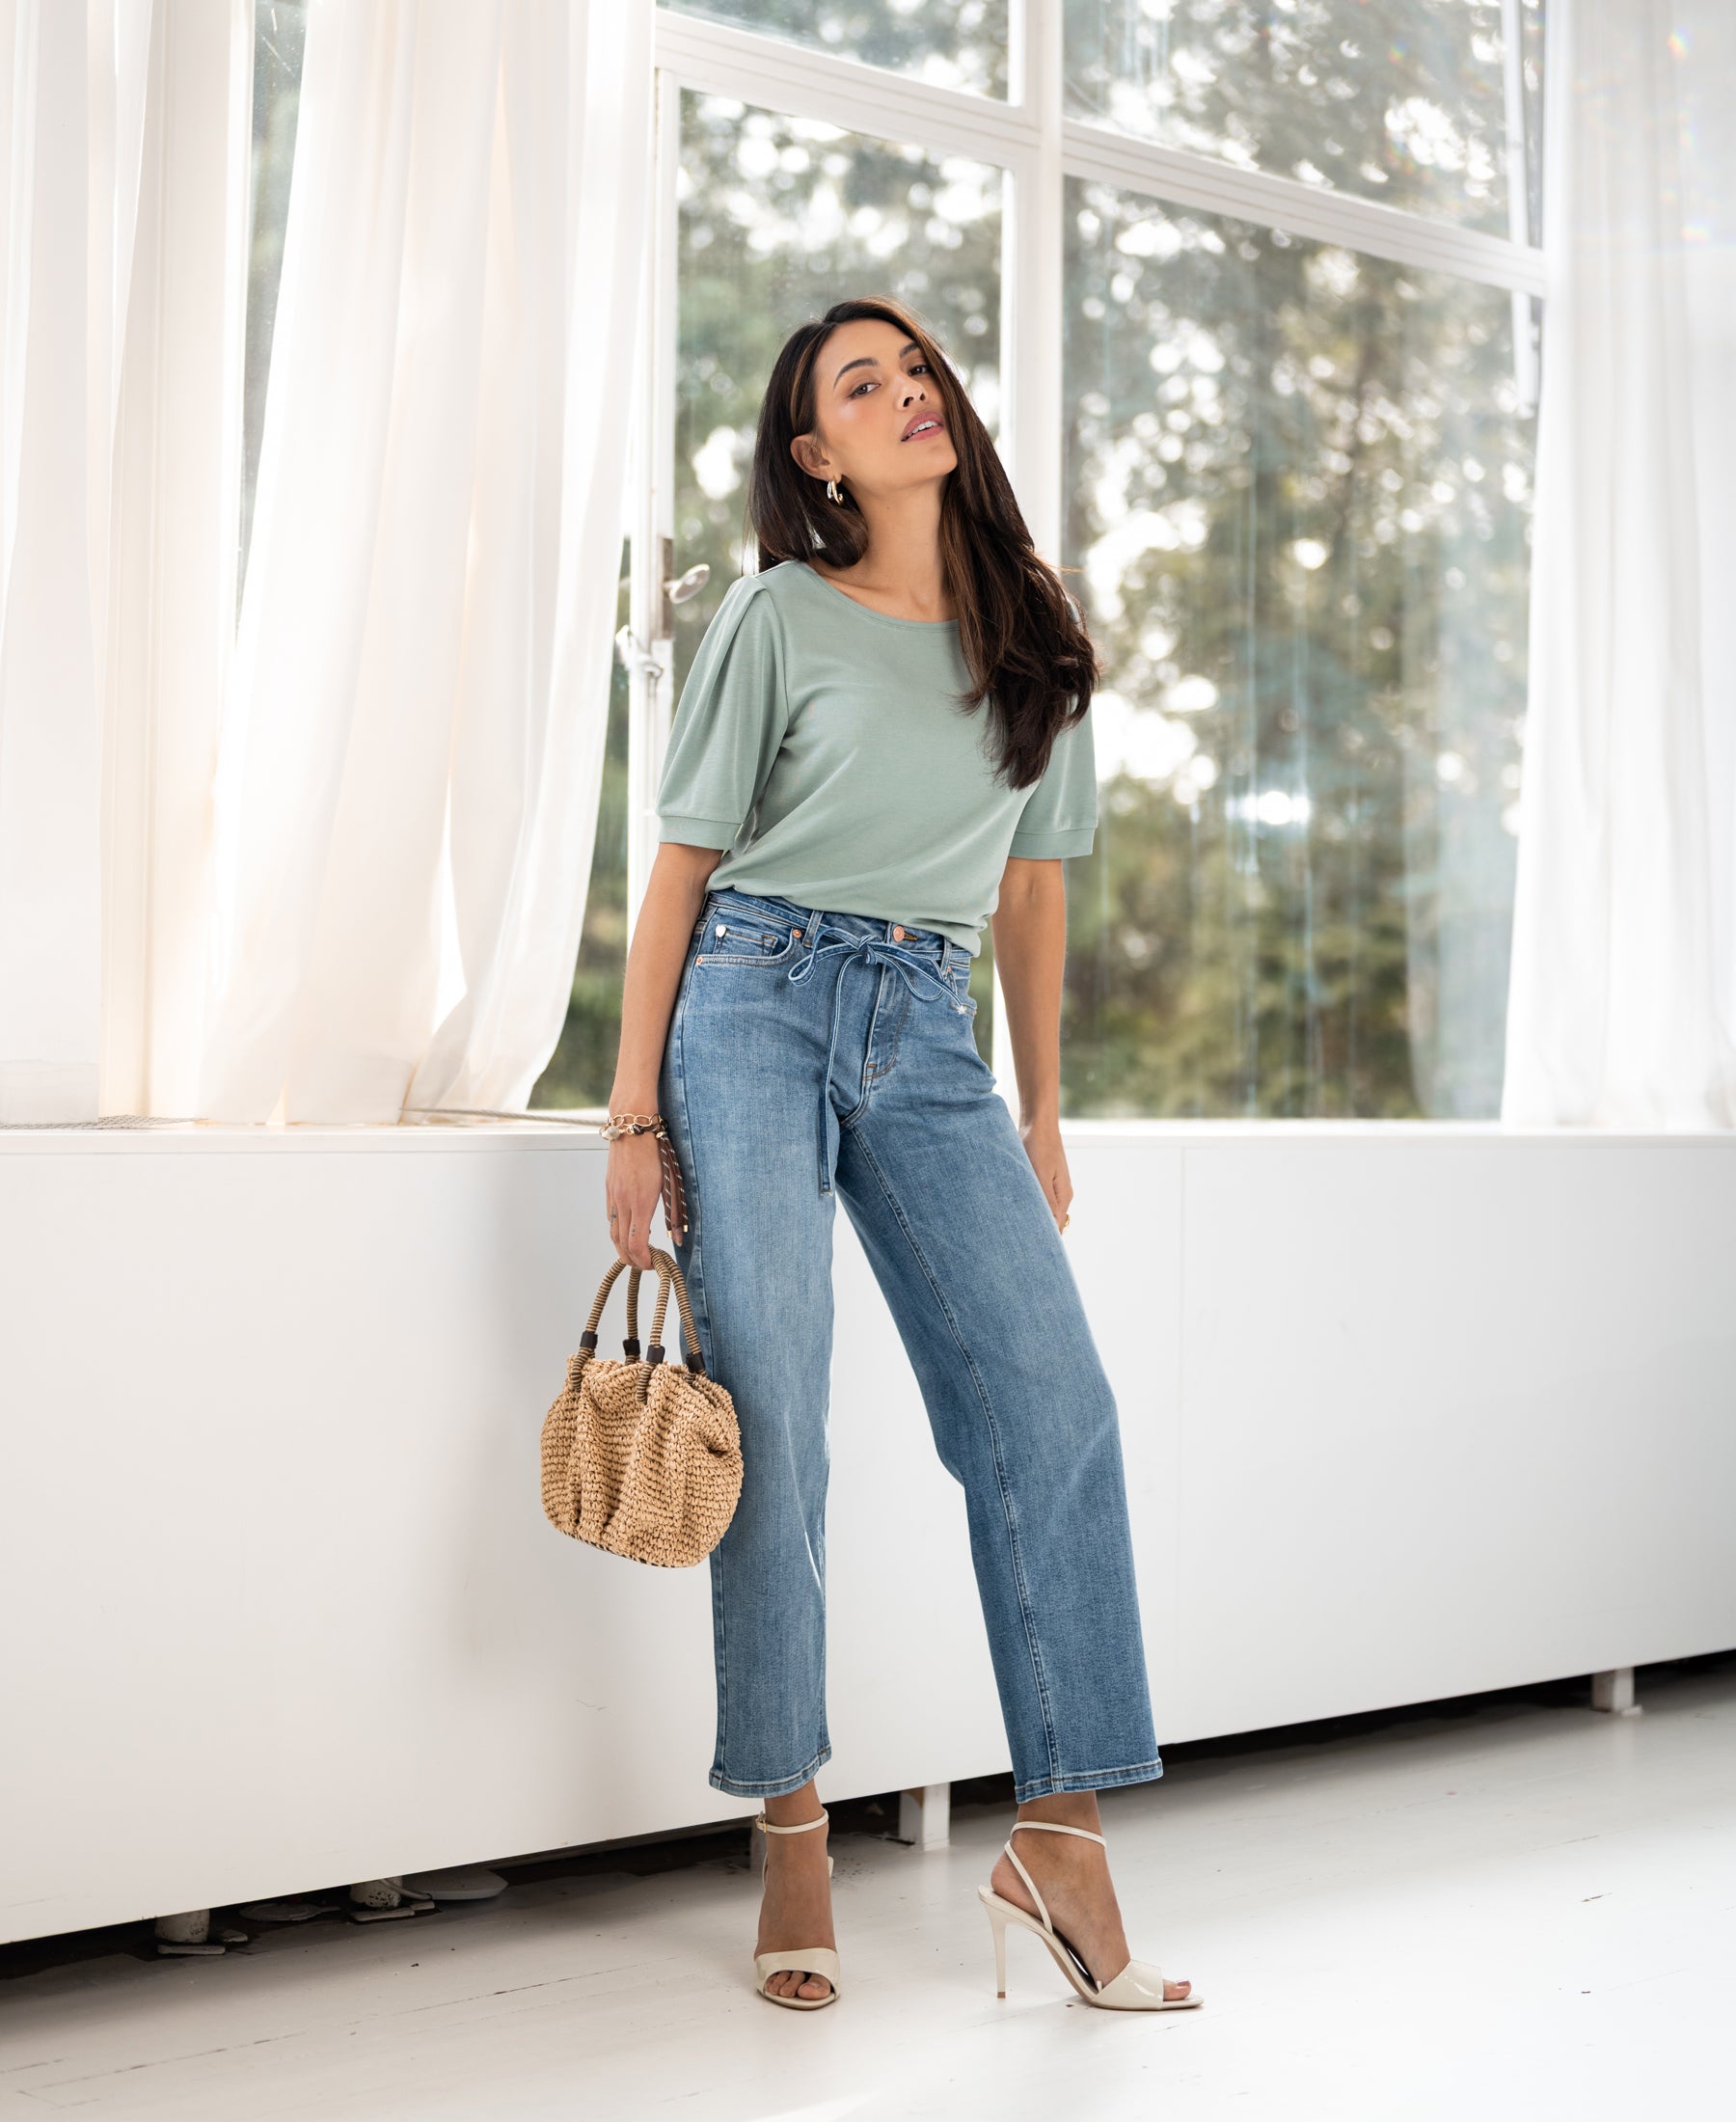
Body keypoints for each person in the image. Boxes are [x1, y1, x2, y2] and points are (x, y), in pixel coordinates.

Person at [602, 295, 1199, 2016]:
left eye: (915, 369)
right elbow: (681, 864)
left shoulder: (1033, 631)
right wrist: (632, 1111)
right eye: (862, 386)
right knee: (775, 1420)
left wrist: (1042, 1103)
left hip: (932, 1029)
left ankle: (1061, 1838)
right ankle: (792, 1824)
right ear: (819, 455)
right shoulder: (777, 614)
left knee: (1052, 1408)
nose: (907, 393)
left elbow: (1034, 882)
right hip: (754, 1003)